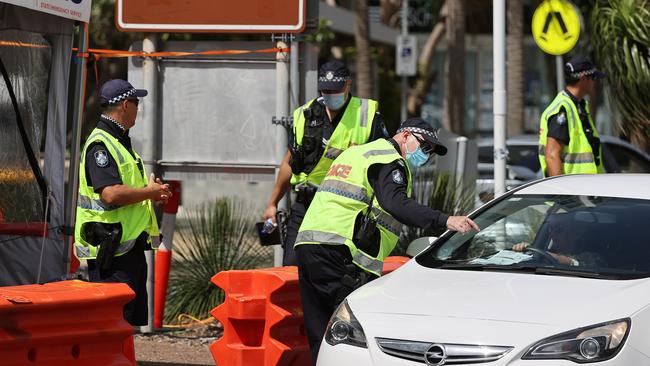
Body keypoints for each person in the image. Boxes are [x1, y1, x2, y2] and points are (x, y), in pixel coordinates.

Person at [293, 117, 480, 364]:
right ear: (404, 136)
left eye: (431, 153)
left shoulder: (358, 154)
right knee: (349, 337)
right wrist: (446, 220)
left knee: (322, 334)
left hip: (309, 246)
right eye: (424, 147)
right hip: (341, 253)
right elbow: (396, 204)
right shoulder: (389, 160)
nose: (426, 155)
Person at [262, 60, 389, 266]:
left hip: (344, 209)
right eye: (325, 91)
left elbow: (382, 165)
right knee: (292, 269)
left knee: (333, 271)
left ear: (348, 85)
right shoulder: (305, 114)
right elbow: (289, 160)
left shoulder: (367, 115)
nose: (330, 95)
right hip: (307, 204)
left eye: (335, 90)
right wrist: (272, 203)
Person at [74, 79, 172, 326]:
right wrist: (149, 192)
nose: (139, 109)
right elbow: (111, 194)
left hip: (128, 248)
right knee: (113, 323)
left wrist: (153, 192)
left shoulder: (119, 141)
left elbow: (129, 191)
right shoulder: (101, 144)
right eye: (137, 103)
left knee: (126, 323)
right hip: (112, 253)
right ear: (126, 105)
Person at [538, 56, 606, 177]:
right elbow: (552, 156)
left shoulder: (579, 106)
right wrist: (562, 194)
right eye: (593, 77)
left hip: (586, 189)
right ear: (583, 78)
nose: (594, 82)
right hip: (573, 191)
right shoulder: (562, 109)